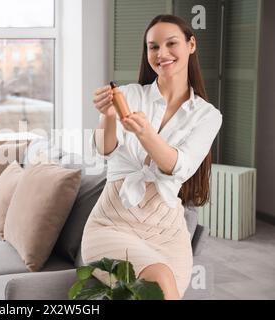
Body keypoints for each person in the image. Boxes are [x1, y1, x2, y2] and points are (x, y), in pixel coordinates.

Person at [81, 14, 223, 300]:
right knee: (159, 278)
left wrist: (147, 134)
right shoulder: (130, 94)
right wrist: (108, 116)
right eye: (153, 47)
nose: (161, 54)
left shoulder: (208, 116)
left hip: (168, 233)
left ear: (191, 44)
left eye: (171, 43)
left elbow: (178, 166)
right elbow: (103, 149)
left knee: (166, 285)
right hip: (111, 224)